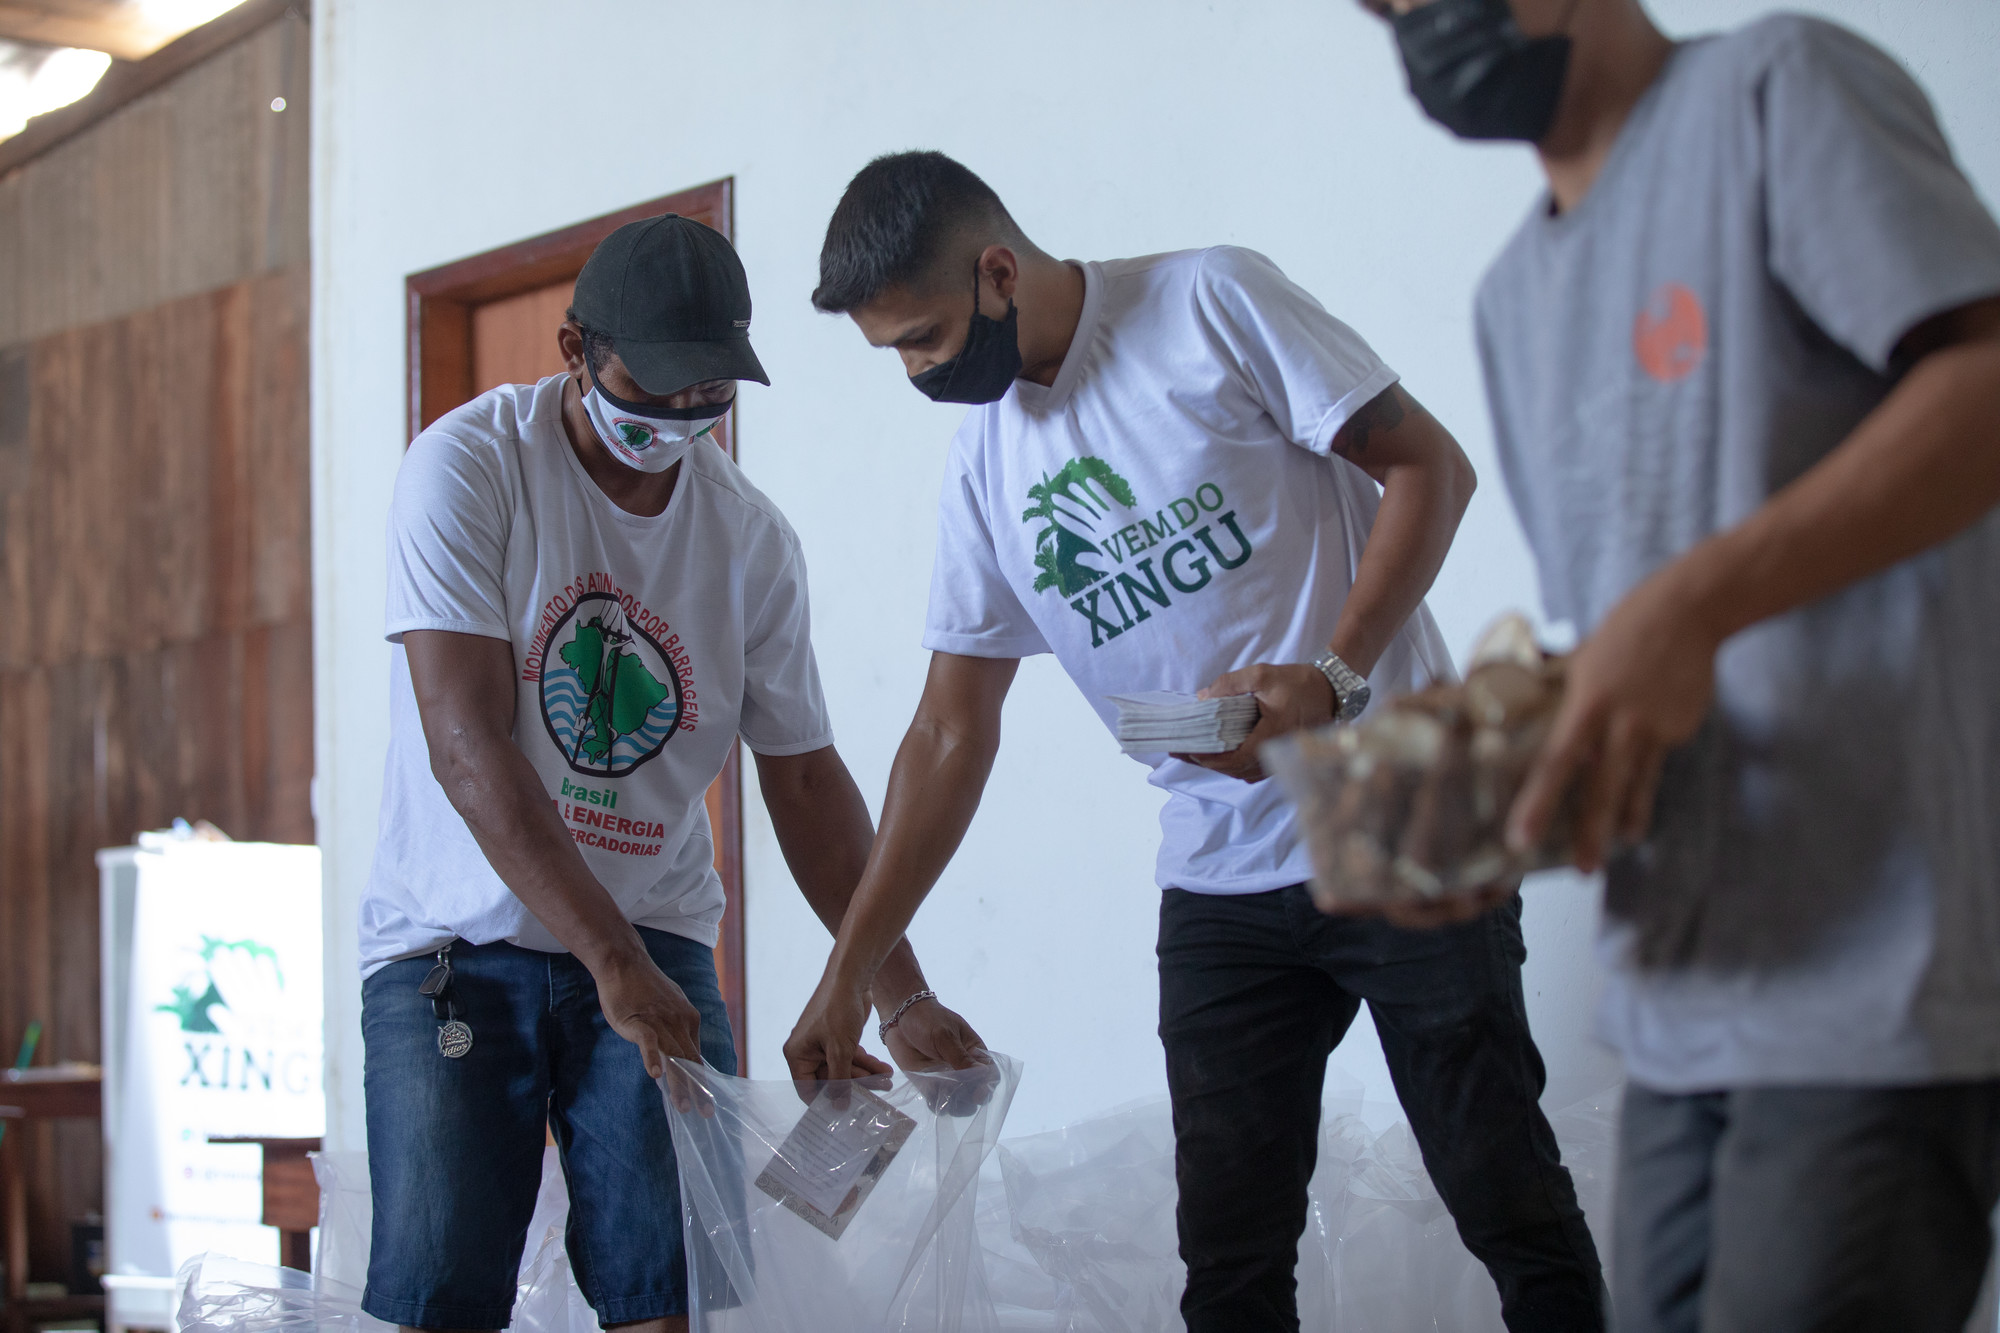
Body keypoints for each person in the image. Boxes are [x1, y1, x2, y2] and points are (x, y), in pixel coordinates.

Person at [784, 151, 1607, 1332]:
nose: (916, 373)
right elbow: (946, 732)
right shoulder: (982, 457)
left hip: (1402, 815)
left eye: (921, 337)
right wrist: (849, 976)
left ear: (998, 271)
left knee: (1503, 1198)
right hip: (1219, 878)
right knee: (1227, 1261)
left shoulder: (1208, 304)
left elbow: (1431, 466)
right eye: (894, 354)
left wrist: (1328, 676)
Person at [1359, 1, 2000, 1329]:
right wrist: (1486, 806)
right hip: (1680, 994)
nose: (1416, 27)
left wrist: (1692, 607)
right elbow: (1632, 643)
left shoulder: (1777, 91)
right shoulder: (1512, 300)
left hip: (1875, 967)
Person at [356, 213, 981, 1333]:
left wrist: (896, 990)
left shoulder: (749, 541)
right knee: (440, 1296)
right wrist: (608, 957)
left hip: (659, 941)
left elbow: (804, 784)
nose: (679, 417)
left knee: (671, 1289)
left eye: (709, 394)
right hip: (452, 946)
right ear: (574, 349)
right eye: (653, 387)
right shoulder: (468, 467)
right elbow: (467, 744)